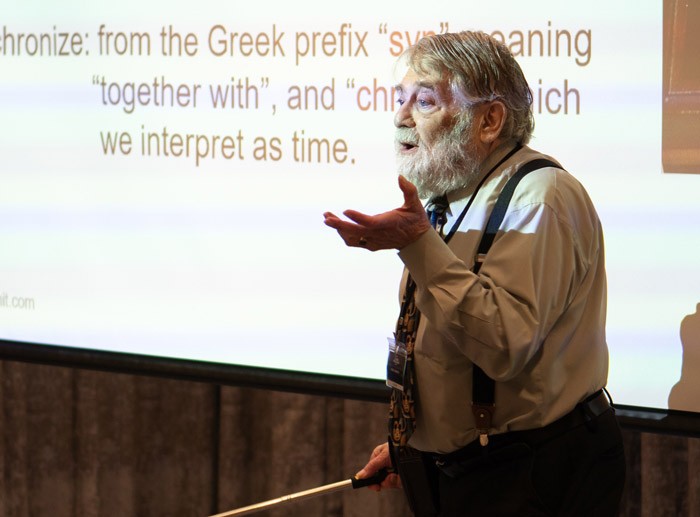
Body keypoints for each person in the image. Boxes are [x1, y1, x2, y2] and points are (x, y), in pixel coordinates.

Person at [323, 31, 625, 516]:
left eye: (424, 101)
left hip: (528, 475)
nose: (401, 117)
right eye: (400, 99)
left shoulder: (541, 198)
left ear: (489, 120)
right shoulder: (450, 196)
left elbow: (504, 344)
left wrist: (417, 245)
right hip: (460, 471)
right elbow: (446, 342)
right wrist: (416, 446)